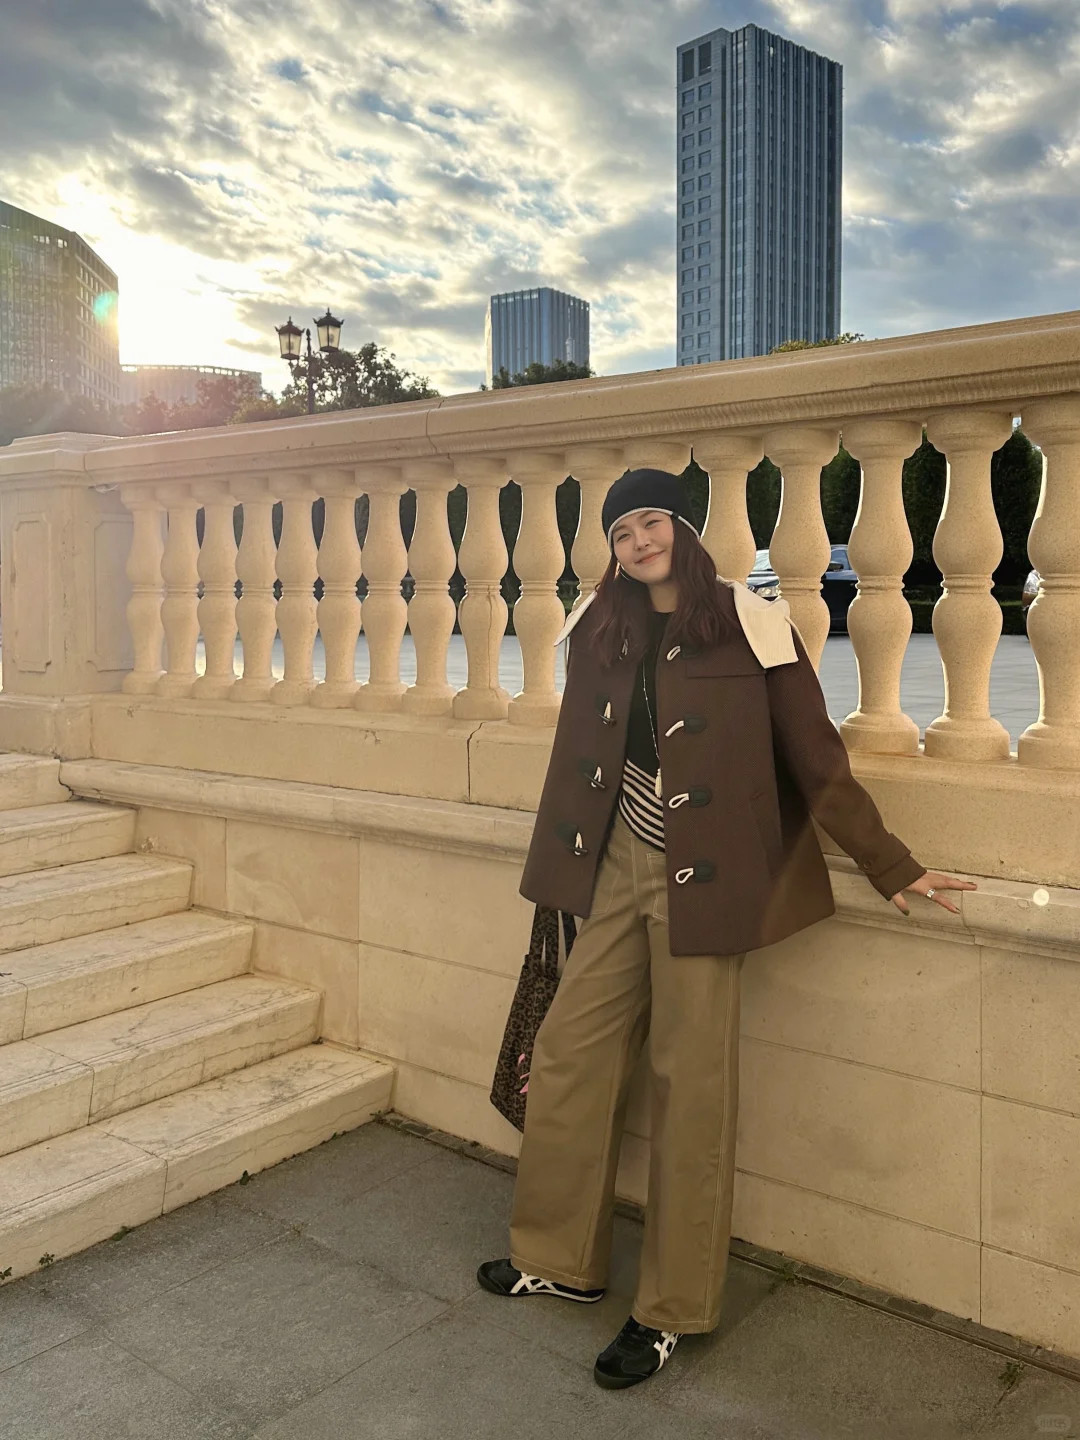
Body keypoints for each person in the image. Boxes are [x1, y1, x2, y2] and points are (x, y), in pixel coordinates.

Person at [478, 468, 975, 1390]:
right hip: (614, 866)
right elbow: (575, 755)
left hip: (705, 881)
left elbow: (815, 756)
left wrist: (891, 862)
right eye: (622, 531)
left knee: (690, 1086)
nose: (639, 542)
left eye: (652, 522)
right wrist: (561, 878)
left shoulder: (752, 621)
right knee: (569, 1052)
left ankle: (669, 1309)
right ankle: (558, 1258)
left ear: (685, 527)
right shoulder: (600, 624)